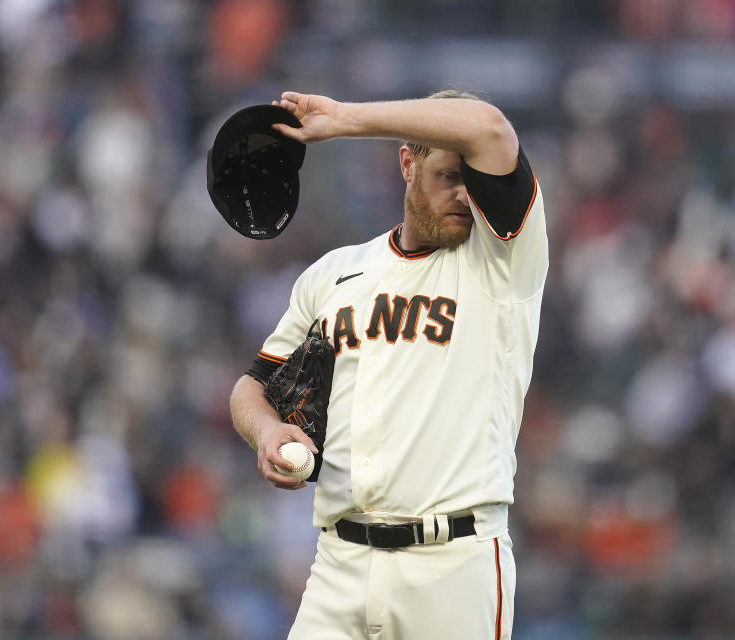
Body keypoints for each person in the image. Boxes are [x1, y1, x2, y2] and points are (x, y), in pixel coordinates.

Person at [229, 89, 547, 640]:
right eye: (450, 174)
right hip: (339, 566)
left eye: (475, 180)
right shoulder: (335, 275)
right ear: (407, 161)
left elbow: (490, 128)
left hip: (451, 567)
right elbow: (252, 388)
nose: (467, 195)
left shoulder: (503, 260)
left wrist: (344, 119)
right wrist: (266, 430)